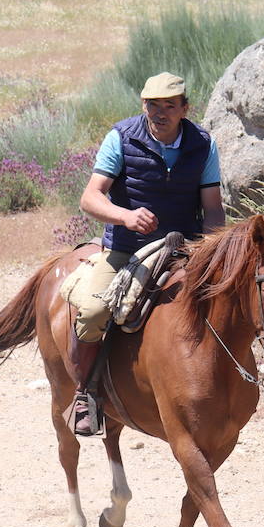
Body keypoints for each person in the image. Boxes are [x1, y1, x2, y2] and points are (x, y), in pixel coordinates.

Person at [69, 71, 226, 436]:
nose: (159, 113)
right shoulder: (121, 138)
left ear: (185, 108)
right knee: (93, 312)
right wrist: (125, 216)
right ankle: (85, 393)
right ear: (143, 106)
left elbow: (213, 207)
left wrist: (208, 249)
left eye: (169, 106)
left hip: (183, 249)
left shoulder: (204, 144)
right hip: (126, 249)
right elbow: (90, 198)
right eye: (152, 105)